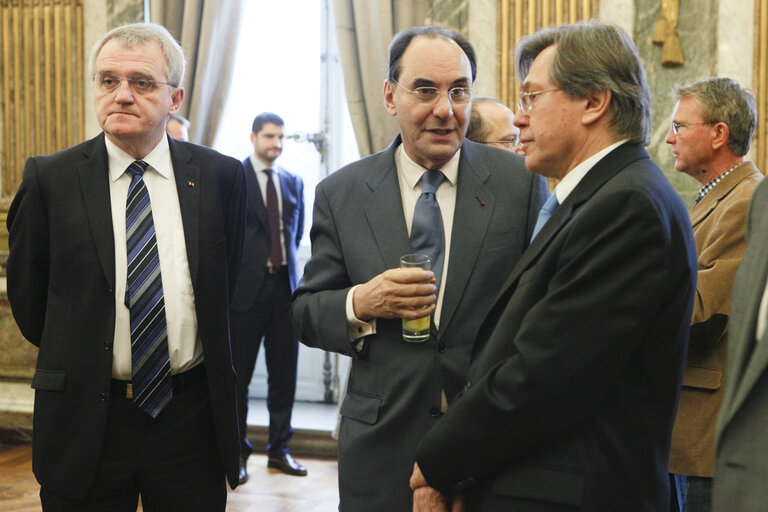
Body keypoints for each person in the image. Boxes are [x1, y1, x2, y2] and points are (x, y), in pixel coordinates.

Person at [411, 21, 697, 512]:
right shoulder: (603, 196)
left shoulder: (626, 206)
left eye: (531, 98)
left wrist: (439, 462)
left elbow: (543, 376)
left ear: (594, 102)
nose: (519, 120)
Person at [291, 25, 547, 511]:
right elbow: (305, 312)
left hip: (490, 445)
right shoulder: (341, 193)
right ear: (390, 96)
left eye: (459, 91)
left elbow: (539, 311)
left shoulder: (521, 185)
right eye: (426, 91)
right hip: (381, 448)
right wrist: (360, 303)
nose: (445, 109)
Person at [5, 23, 246, 511]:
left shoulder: (221, 177)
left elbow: (225, 289)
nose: (122, 95)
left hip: (189, 421)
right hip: (87, 419)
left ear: (175, 96)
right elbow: (32, 306)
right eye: (107, 80)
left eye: (141, 82)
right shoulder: (49, 180)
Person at [664, 78, 762, 512]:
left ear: (718, 134)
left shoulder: (745, 199)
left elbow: (704, 314)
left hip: (707, 433)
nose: (669, 138)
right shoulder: (720, 197)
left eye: (680, 126)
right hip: (690, 426)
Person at [230, 112, 306, 481]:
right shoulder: (234, 179)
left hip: (284, 292)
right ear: (253, 137)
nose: (276, 143)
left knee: (284, 377)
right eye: (269, 136)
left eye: (280, 137)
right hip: (244, 295)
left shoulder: (293, 182)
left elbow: (295, 233)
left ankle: (279, 450)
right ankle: (238, 454)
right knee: (238, 379)